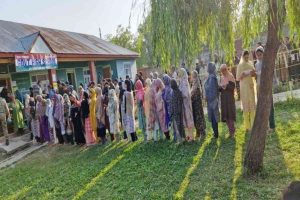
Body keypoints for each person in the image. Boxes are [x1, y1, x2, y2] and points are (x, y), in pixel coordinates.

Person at [255, 46, 276, 132]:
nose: (259, 56)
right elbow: (258, 75)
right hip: (260, 86)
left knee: (270, 105)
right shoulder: (256, 64)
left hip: (267, 85)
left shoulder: (267, 62)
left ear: (263, 54)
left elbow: (267, 72)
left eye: (260, 54)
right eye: (257, 55)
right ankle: (265, 125)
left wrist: (257, 73)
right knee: (262, 106)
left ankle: (272, 125)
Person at [237, 50, 256, 132]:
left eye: (248, 57)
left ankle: (253, 125)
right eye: (245, 57)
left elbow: (254, 74)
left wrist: (252, 73)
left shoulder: (251, 63)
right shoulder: (240, 65)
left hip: (251, 86)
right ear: (242, 57)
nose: (247, 58)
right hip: (244, 87)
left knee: (252, 105)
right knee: (246, 106)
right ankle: (248, 127)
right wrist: (243, 74)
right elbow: (237, 78)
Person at [219, 64, 236, 138]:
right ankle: (230, 130)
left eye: (224, 69)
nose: (223, 71)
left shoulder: (230, 76)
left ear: (227, 69)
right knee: (226, 116)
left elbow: (233, 87)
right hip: (223, 99)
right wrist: (221, 87)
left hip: (229, 99)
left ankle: (232, 131)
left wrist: (226, 86)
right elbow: (219, 89)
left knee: (230, 115)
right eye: (222, 70)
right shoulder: (221, 77)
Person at [178, 68, 194, 141]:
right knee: (186, 120)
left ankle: (191, 136)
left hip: (186, 104)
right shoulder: (181, 81)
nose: (179, 74)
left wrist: (180, 94)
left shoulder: (184, 81)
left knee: (188, 119)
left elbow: (186, 94)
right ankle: (188, 135)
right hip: (183, 104)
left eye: (180, 73)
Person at [204, 63, 220, 138]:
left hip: (212, 100)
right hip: (211, 100)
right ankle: (215, 133)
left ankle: (216, 134)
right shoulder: (211, 77)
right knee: (213, 117)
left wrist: (209, 98)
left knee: (214, 117)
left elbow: (211, 89)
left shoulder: (212, 78)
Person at [191, 70, 206, 139]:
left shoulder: (197, 85)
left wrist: (191, 96)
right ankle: (198, 132)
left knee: (199, 118)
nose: (192, 77)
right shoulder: (194, 84)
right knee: (195, 118)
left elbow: (196, 95)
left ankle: (202, 133)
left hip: (197, 105)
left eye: (193, 75)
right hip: (194, 104)